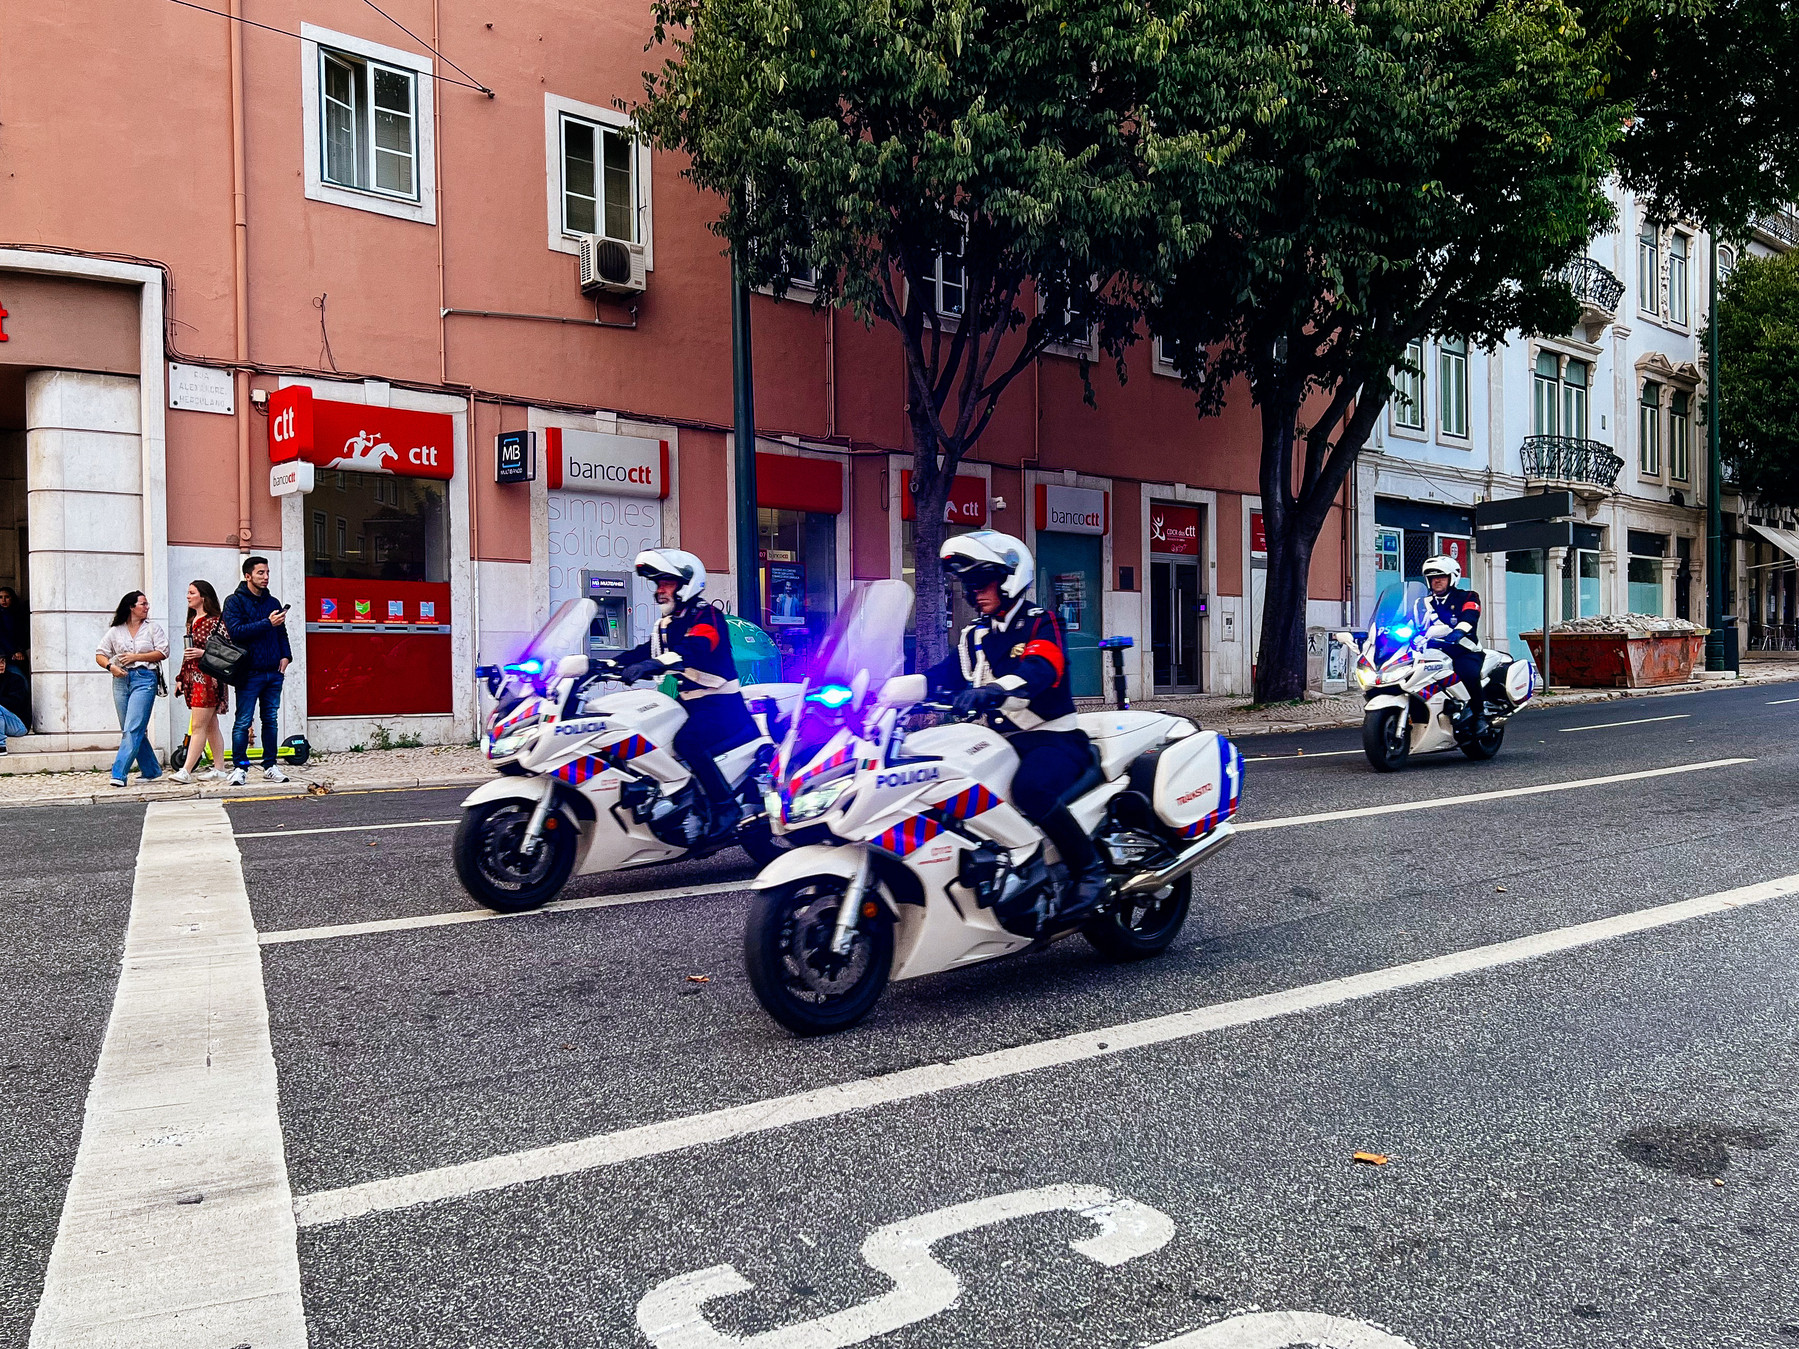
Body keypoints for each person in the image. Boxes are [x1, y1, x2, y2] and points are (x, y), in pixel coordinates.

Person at [925, 529, 1108, 919]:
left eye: (981, 582)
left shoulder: (1041, 623)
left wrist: (992, 690)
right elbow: (943, 675)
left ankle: (1089, 872)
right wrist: (885, 689)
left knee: (1031, 789)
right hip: (1000, 743)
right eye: (968, 585)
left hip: (1054, 741)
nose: (974, 592)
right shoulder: (974, 636)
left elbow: (1041, 668)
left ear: (1009, 578)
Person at [611, 548, 758, 847]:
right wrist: (607, 664)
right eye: (658, 584)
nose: (659, 590)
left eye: (666, 583)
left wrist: (653, 665)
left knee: (687, 742)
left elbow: (695, 648)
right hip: (690, 704)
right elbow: (647, 651)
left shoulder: (708, 615)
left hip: (721, 706)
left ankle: (725, 807)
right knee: (651, 732)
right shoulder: (668, 623)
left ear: (685, 585)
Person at [221, 555, 293, 785]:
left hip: (273, 671)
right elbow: (236, 632)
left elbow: (281, 632)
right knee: (243, 721)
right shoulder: (234, 601)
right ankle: (240, 767)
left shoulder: (273, 602)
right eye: (261, 573)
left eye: (268, 572)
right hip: (248, 672)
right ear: (248, 576)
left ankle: (270, 765)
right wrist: (266, 623)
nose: (266, 577)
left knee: (270, 720)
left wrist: (286, 655)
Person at [95, 590, 167, 787]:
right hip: (121, 679)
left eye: (146, 604)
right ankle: (151, 770)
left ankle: (119, 773)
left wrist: (136, 657)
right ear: (131, 607)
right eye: (143, 604)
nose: (147, 607)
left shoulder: (152, 628)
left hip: (145, 678)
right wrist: (110, 667)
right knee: (130, 728)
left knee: (133, 727)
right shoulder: (116, 630)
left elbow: (163, 652)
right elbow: (100, 653)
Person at [170, 580, 232, 784]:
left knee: (198, 726)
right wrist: (181, 677)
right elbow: (187, 653)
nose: (188, 596)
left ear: (203, 596)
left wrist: (202, 653)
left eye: (192, 593)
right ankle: (220, 768)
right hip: (193, 677)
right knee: (211, 725)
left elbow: (227, 650)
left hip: (208, 679)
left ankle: (186, 770)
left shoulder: (215, 622)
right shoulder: (192, 621)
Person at [1420, 554, 1487, 733]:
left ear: (1452, 578)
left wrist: (1459, 631)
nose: (1436, 581)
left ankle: (1479, 715)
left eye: (1441, 577)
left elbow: (1470, 616)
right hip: (1431, 651)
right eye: (1432, 578)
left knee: (1468, 673)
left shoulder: (1468, 596)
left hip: (1463, 650)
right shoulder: (1423, 603)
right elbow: (1407, 619)